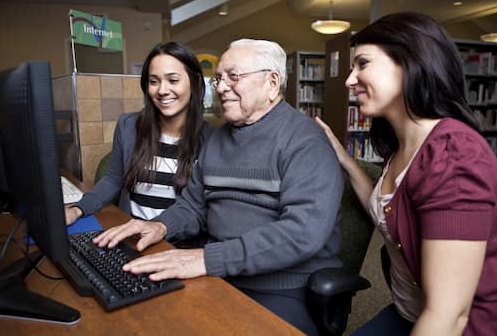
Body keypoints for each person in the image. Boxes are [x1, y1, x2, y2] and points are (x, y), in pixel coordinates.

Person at [92, 38, 345, 335]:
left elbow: (301, 234)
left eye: (233, 77)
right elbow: (193, 205)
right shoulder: (220, 139)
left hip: (283, 286)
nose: (222, 87)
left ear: (272, 82)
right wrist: (159, 226)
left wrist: (207, 259)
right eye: (220, 79)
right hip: (221, 272)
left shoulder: (305, 142)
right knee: (139, 318)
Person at [316, 12, 497, 336]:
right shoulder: (405, 146)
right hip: (408, 312)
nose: (349, 80)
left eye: (363, 64)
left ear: (410, 62)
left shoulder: (453, 155)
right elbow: (384, 207)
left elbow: (449, 316)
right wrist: (342, 157)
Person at [66, 42, 213, 246]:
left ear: (195, 82)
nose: (162, 90)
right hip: (131, 238)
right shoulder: (128, 126)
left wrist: (160, 228)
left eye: (173, 80)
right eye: (154, 81)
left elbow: (203, 209)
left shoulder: (212, 140)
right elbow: (113, 180)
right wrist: (77, 209)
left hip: (179, 246)